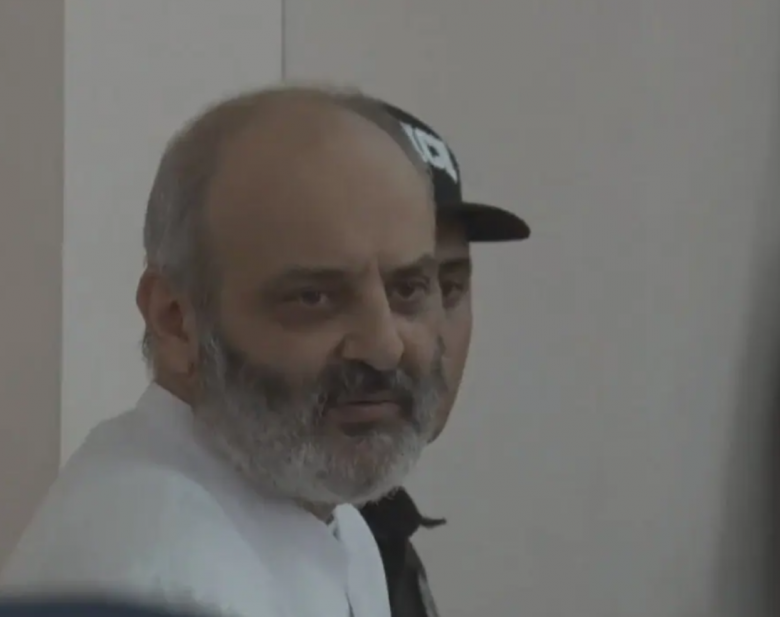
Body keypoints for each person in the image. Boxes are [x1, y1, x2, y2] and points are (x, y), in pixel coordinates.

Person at [0, 86, 447, 617]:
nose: (384, 346)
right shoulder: (153, 578)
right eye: (314, 297)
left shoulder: (330, 520)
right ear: (175, 321)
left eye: (408, 289)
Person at [358, 102, 529, 617]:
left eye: (447, 288)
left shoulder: (375, 529)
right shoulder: (193, 570)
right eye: (320, 294)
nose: (412, 343)